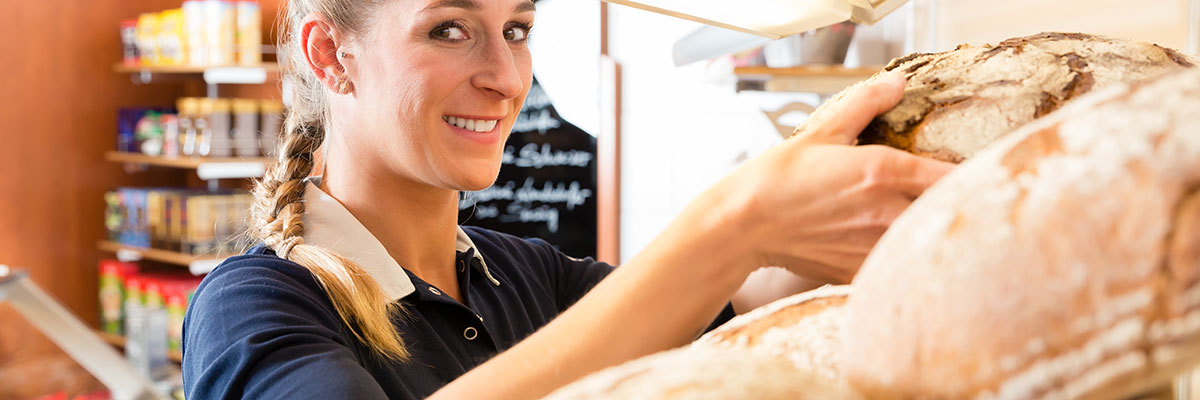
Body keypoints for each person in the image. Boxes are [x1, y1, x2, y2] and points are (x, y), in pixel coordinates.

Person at [180, 0, 954, 398]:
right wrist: (731, 224)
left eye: (516, 29)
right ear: (329, 54)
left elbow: (743, 305)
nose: (505, 78)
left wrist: (884, 185)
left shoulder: (529, 277)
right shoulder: (255, 306)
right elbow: (719, 262)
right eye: (449, 30)